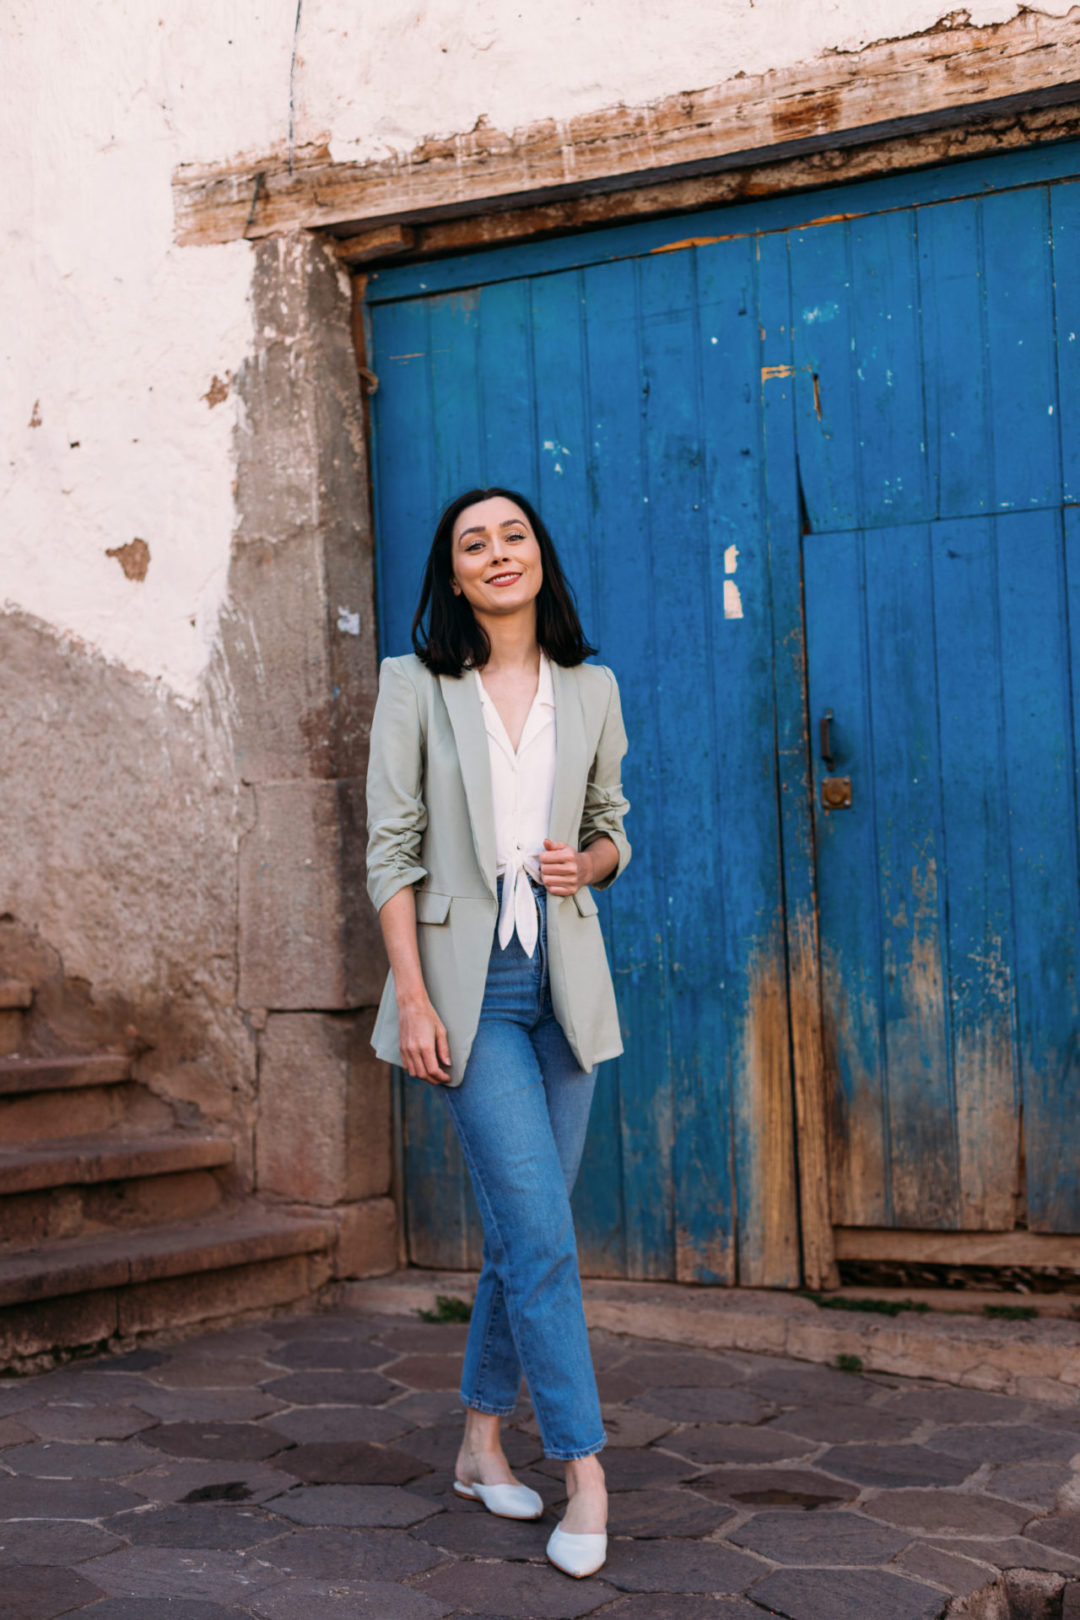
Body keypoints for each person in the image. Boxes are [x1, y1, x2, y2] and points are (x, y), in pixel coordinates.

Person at [365, 486, 630, 1579]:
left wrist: (590, 862)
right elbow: (391, 852)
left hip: (563, 988)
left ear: (537, 556)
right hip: (468, 996)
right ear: (456, 574)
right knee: (545, 1241)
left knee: (526, 1237)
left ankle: (478, 1443)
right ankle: (585, 1470)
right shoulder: (414, 687)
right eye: (473, 543)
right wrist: (414, 998)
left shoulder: (594, 687)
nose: (496, 553)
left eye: (511, 535)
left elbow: (613, 826)